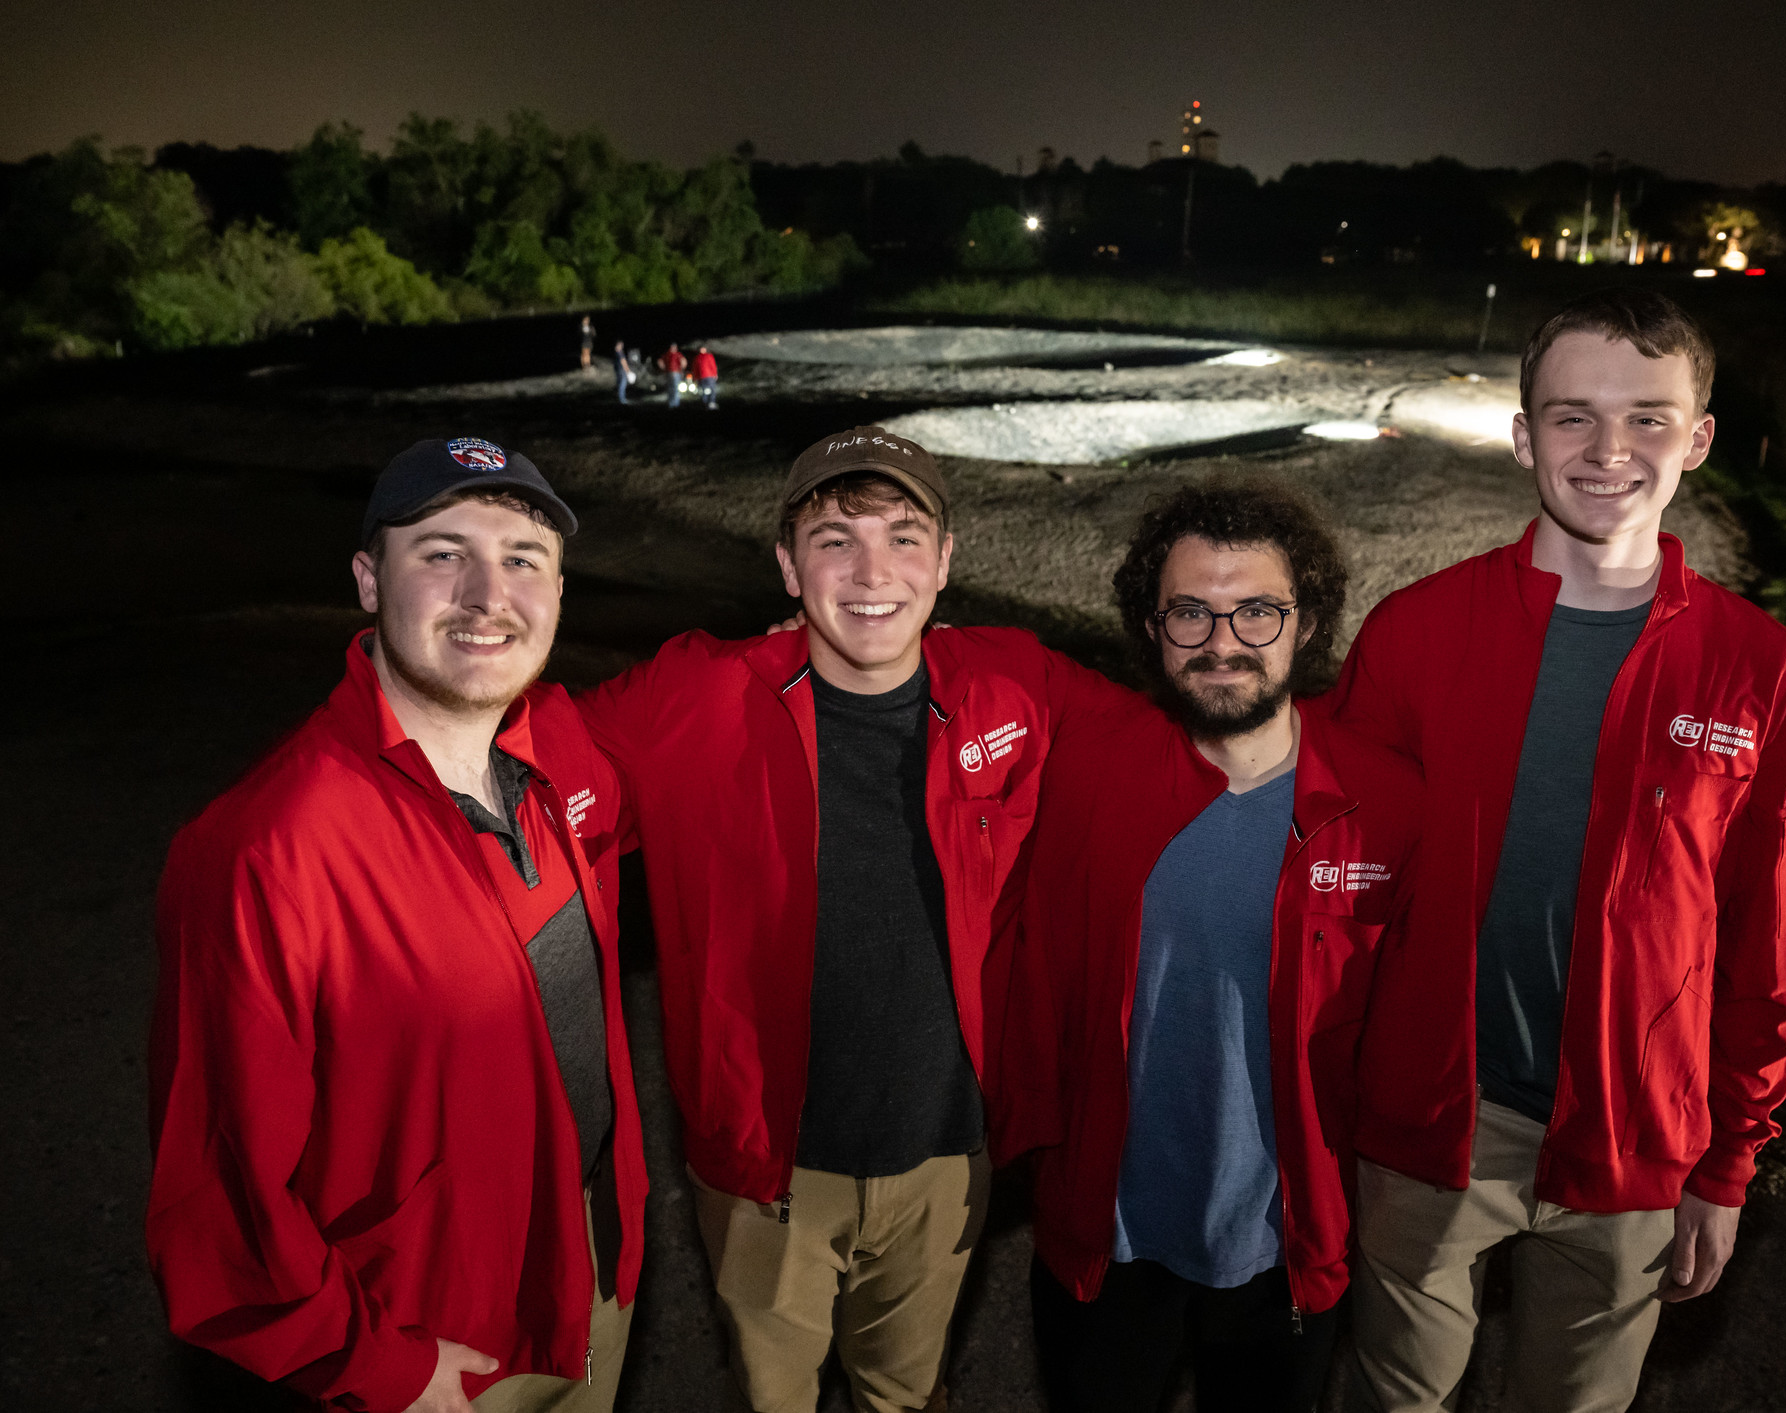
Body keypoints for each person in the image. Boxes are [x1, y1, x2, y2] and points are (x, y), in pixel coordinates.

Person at [1333, 288, 1786, 1413]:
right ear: (1521, 437)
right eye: (1570, 416)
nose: (1608, 451)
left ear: (1698, 439)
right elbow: (1340, 906)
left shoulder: (1762, 670)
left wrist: (1728, 1162)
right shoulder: (1414, 634)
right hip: (1429, 1121)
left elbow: (1767, 942)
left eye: (1647, 417)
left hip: (1634, 1135)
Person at [576, 427, 1124, 1413]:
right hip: (763, 1169)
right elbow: (513, 777)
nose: (871, 572)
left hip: (946, 1158)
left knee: (901, 1395)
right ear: (788, 567)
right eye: (834, 539)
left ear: (946, 561)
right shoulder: (693, 696)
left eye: (903, 536)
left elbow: (1185, 761)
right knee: (772, 1393)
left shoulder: (1016, 686)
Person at [146, 437, 649, 1413]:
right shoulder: (266, 851)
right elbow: (219, 1200)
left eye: (522, 558)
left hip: (593, 1265)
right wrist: (387, 1373)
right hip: (432, 1344)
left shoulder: (564, 756)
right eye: (441, 552)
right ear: (369, 581)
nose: (485, 592)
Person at [1001, 482, 1423, 1413]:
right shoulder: (1084, 772)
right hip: (1104, 1234)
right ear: (1151, 628)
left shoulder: (1387, 805)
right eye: (1189, 611)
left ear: (1305, 624)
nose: (1222, 640)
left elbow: (1416, 1027)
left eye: (1257, 611)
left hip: (1287, 1244)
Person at [690, 343, 719, 409]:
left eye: (703, 348)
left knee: (709, 390)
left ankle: (709, 403)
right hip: (705, 377)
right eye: (701, 349)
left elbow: (713, 366)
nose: (702, 350)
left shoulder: (706, 356)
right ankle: (707, 403)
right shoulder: (699, 357)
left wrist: (715, 374)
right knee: (707, 390)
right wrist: (695, 377)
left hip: (707, 376)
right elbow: (695, 369)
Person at [662, 342, 687, 408]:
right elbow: (660, 361)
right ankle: (672, 403)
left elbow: (683, 362)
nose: (673, 348)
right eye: (672, 347)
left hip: (676, 373)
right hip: (669, 373)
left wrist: (681, 369)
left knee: (675, 388)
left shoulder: (678, 354)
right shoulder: (667, 354)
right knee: (671, 388)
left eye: (674, 347)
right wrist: (664, 367)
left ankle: (675, 403)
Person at [612, 340, 632, 404]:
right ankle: (622, 399)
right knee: (622, 385)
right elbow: (623, 362)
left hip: (617, 370)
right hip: (622, 370)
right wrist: (628, 370)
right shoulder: (620, 352)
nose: (622, 346)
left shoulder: (615, 352)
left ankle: (618, 398)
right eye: (621, 345)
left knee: (619, 384)